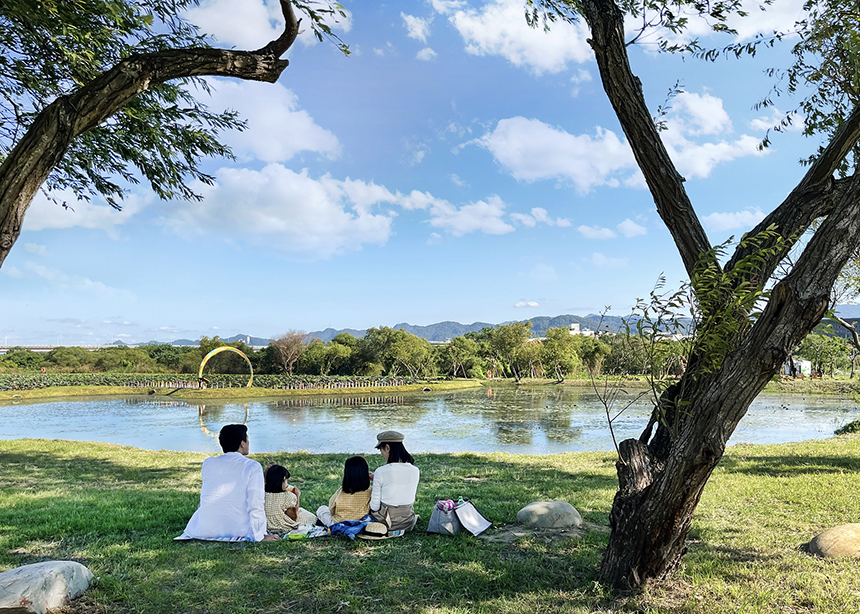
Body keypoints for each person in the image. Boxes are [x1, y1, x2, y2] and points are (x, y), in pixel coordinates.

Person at [175, 424, 276, 542]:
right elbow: (256, 503)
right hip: (238, 529)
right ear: (242, 443)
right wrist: (260, 535)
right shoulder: (252, 466)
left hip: (205, 527)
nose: (248, 443)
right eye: (247, 440)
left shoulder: (208, 463)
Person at [370, 430, 420, 532]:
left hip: (385, 522)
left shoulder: (381, 471)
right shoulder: (415, 470)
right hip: (407, 521)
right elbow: (398, 482)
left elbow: (374, 507)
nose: (381, 454)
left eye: (381, 450)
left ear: (387, 448)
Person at [316, 456, 372, 527]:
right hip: (360, 523)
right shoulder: (370, 491)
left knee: (322, 509)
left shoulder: (341, 491)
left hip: (339, 524)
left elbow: (331, 508)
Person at [264, 464, 316, 533]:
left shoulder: (263, 494)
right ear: (281, 482)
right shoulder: (287, 496)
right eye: (286, 481)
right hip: (283, 525)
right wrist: (297, 495)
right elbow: (295, 509)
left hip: (267, 525)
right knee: (305, 514)